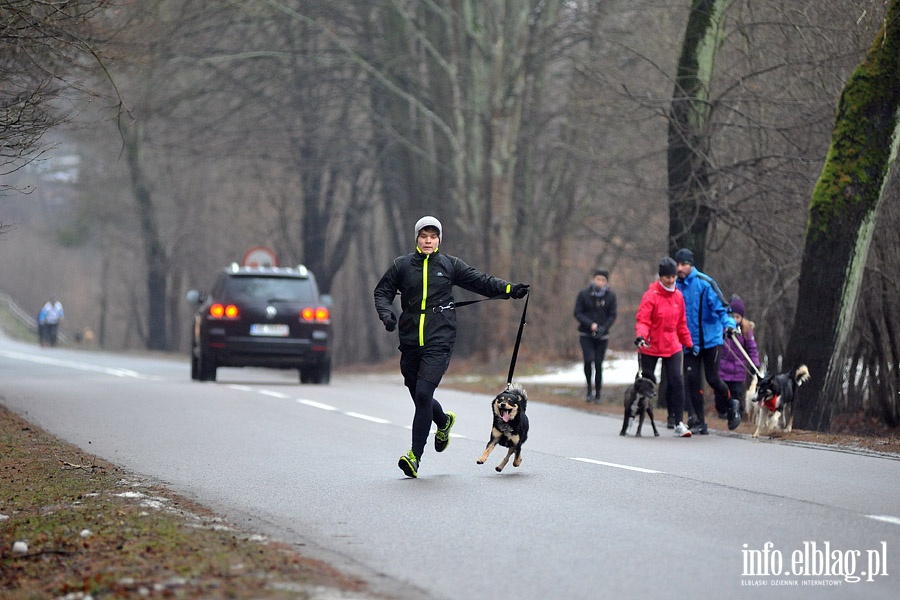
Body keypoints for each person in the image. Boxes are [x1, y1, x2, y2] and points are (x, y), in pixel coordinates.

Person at [373, 216, 529, 478]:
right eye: (424, 236)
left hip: (439, 339)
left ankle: (414, 457)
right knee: (416, 392)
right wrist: (386, 314)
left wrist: (510, 289)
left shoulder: (449, 264)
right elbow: (382, 292)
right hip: (411, 341)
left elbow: (481, 281)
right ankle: (443, 421)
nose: (428, 241)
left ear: (439, 240)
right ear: (417, 238)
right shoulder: (402, 266)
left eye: (433, 236)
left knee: (423, 394)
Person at [674, 248, 739, 434]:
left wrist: (729, 324)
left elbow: (722, 308)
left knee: (712, 378)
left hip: (711, 341)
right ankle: (698, 420)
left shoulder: (705, 283)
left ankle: (730, 405)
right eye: (677, 264)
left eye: (683, 264)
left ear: (691, 265)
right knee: (692, 380)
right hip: (689, 343)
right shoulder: (675, 286)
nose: (680, 268)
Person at [634, 257, 694, 437]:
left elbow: (682, 324)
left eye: (673, 276)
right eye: (667, 277)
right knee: (647, 381)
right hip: (651, 344)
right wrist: (641, 336)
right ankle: (635, 415)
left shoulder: (678, 296)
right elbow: (643, 320)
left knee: (677, 381)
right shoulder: (651, 295)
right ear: (661, 277)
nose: (671, 280)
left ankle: (678, 422)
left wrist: (689, 343)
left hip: (672, 344)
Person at [573, 269, 617, 403]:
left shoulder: (611, 296)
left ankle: (598, 393)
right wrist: (590, 324)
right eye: (598, 279)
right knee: (588, 361)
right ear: (593, 279)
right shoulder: (584, 294)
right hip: (586, 333)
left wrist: (603, 328)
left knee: (598, 363)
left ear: (606, 282)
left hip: (602, 335)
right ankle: (589, 390)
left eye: (603, 280)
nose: (600, 282)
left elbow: (612, 315)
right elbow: (578, 313)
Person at [718, 295, 760, 418]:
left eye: (738, 317)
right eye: (733, 316)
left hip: (738, 370)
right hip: (723, 369)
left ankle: (736, 414)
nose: (735, 320)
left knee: (736, 393)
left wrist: (755, 364)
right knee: (721, 393)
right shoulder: (722, 328)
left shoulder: (746, 330)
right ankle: (723, 413)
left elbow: (752, 349)